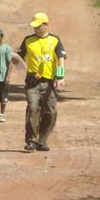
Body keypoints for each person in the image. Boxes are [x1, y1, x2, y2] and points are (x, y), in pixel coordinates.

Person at [18, 12, 66, 152]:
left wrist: (60, 76)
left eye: (39, 26)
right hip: (33, 81)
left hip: (49, 82)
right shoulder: (28, 40)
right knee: (33, 108)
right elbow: (19, 58)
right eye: (34, 26)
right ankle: (31, 140)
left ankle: (42, 140)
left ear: (46, 25)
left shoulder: (55, 40)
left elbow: (61, 58)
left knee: (51, 111)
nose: (36, 29)